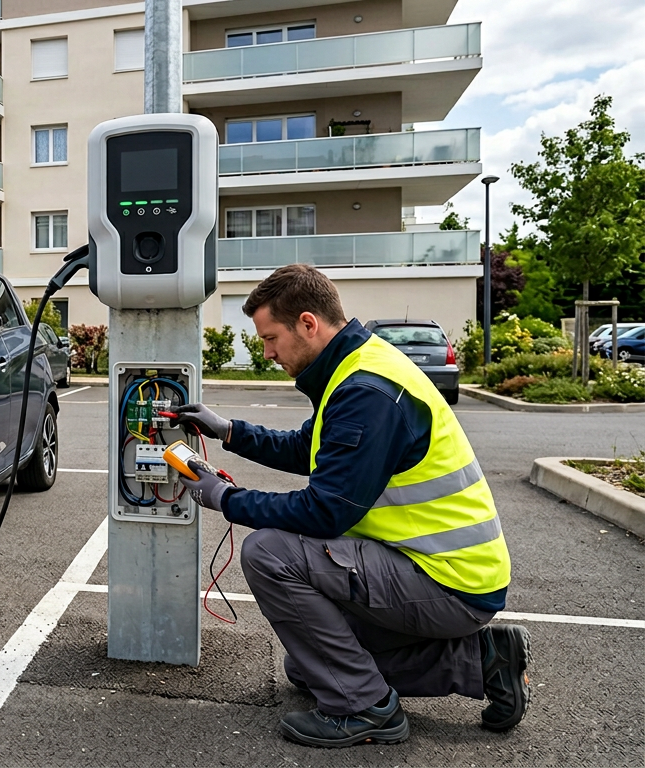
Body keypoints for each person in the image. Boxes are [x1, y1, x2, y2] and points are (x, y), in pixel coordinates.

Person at [173, 264, 530, 748]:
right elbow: (309, 448)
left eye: (270, 338)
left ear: (307, 323)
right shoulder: (358, 364)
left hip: (446, 579)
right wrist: (229, 431)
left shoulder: (366, 391)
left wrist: (225, 498)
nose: (268, 352)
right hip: (436, 566)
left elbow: (326, 512)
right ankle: (483, 661)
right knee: (307, 665)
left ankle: (365, 709)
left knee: (268, 554)